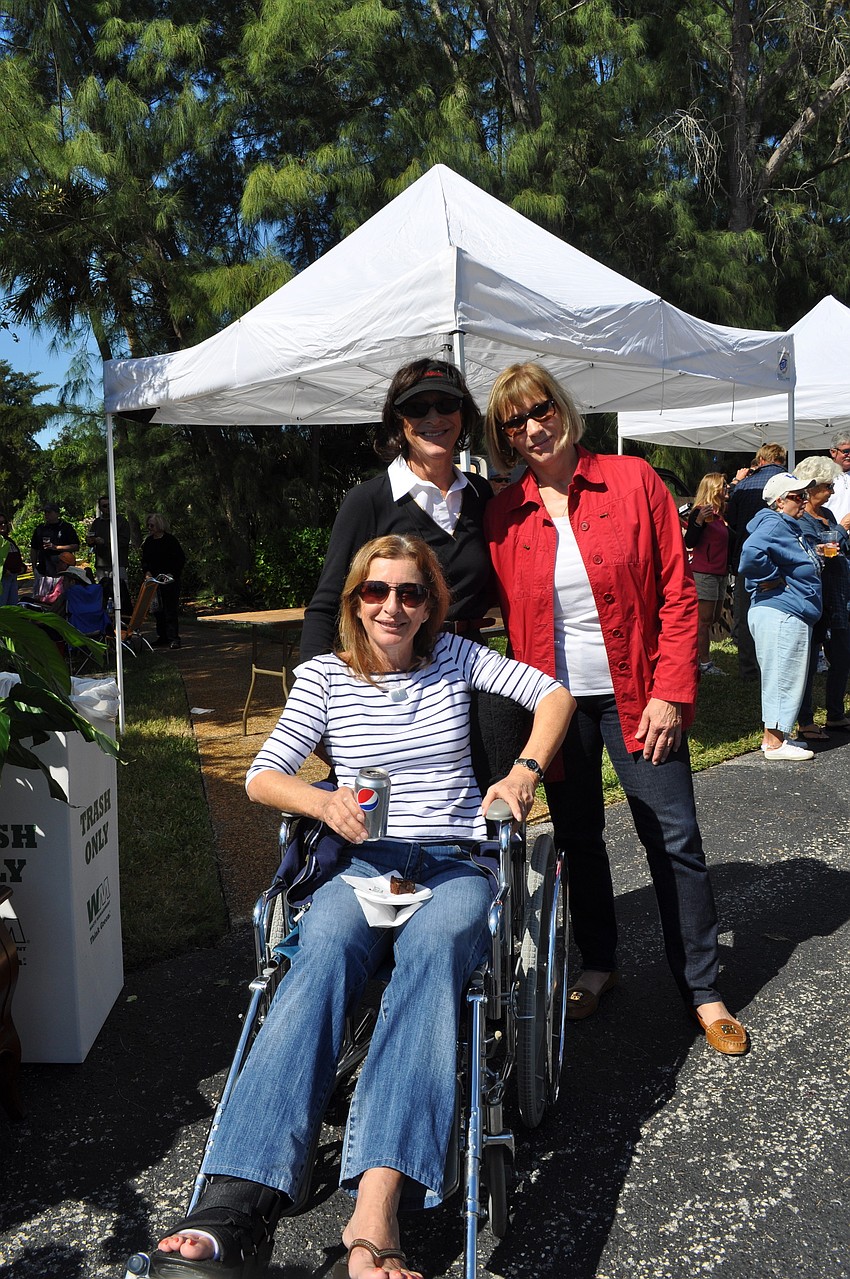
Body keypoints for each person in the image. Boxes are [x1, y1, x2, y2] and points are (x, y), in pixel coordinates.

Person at [145, 534, 573, 1279]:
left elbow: (555, 694)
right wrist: (322, 800)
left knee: (435, 957)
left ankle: (373, 1222)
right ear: (354, 600)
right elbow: (260, 776)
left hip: (453, 860)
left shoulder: (459, 658)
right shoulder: (324, 677)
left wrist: (523, 772)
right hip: (365, 861)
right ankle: (233, 1210)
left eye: (411, 593)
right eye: (377, 591)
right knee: (318, 956)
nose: (394, 606)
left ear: (431, 604)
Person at [483, 362, 748, 1057]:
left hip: (640, 695)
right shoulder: (504, 513)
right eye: (515, 421)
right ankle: (599, 962)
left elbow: (677, 593)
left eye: (539, 408)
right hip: (557, 705)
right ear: (506, 438)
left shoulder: (632, 481)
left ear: (562, 408)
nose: (533, 426)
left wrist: (671, 690)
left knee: (674, 837)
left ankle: (703, 987)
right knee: (577, 837)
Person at [300, 358, 518, 784]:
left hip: (471, 675)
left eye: (446, 404)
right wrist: (315, 708)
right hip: (393, 685)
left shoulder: (479, 495)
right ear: (399, 423)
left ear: (464, 415)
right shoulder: (369, 501)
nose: (433, 417)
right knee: (399, 812)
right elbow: (326, 605)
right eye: (417, 408)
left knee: (490, 808)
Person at [738, 472, 823, 761]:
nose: (804, 501)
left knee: (784, 674)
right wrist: (772, 577)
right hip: (781, 612)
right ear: (779, 501)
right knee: (781, 675)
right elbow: (750, 554)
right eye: (797, 496)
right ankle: (774, 744)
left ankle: (776, 738)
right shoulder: (774, 522)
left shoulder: (787, 524)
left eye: (804, 495)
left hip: (785, 611)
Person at [794, 456, 850, 736]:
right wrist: (842, 529)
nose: (832, 492)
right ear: (811, 487)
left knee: (841, 657)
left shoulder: (825, 515)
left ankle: (835, 714)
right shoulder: (801, 519)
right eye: (827, 486)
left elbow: (837, 550)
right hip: (815, 597)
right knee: (807, 664)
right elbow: (816, 551)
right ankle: (805, 721)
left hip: (838, 597)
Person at [725, 443, 788, 680]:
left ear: (760, 460)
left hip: (747, 556)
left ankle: (748, 669)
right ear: (781, 459)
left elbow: (731, 522)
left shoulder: (742, 486)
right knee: (779, 611)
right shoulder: (791, 483)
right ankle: (776, 668)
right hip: (781, 557)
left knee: (746, 612)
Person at [684, 472, 731, 676]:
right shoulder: (700, 512)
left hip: (720, 572)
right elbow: (690, 542)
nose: (727, 488)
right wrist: (698, 522)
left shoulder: (720, 515)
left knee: (712, 618)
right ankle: (704, 663)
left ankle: (696, 657)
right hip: (704, 572)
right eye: (723, 486)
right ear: (713, 489)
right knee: (702, 621)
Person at [140, 513, 186, 649]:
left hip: (169, 580)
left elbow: (179, 559)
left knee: (170, 609)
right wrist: (147, 572)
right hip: (154, 581)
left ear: (160, 525)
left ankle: (174, 637)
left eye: (152, 525)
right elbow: (145, 561)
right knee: (157, 610)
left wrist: (171, 574)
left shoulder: (170, 540)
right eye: (148, 525)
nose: (150, 528)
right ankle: (162, 636)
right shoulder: (148, 542)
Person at [85, 494, 132, 611]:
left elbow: (124, 541)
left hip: (118, 563)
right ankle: (105, 620)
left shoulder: (121, 521)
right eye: (105, 506)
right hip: (102, 563)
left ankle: (124, 619)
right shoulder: (97, 523)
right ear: (100, 508)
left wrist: (104, 542)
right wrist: (91, 541)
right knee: (103, 593)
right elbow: (91, 539)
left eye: (110, 505)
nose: (108, 508)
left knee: (121, 592)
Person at [29, 501, 80, 581]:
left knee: (61, 592)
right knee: (44, 593)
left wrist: (56, 547)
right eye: (45, 512)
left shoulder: (66, 527)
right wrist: (34, 567)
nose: (46, 514)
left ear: (57, 514)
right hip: (43, 569)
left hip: (63, 570)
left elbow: (75, 546)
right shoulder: (40, 529)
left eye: (49, 512)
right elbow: (34, 549)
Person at [0, 514, 25, 606]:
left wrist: (22, 567)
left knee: (12, 606)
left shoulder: (9, 541)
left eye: (4, 523)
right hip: (3, 579)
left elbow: (16, 556)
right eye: (0, 523)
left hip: (13, 577)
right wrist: (4, 571)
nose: (3, 525)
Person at [827, 431, 850, 528]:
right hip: (832, 533)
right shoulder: (824, 476)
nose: (849, 455)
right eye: (846, 451)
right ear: (833, 452)